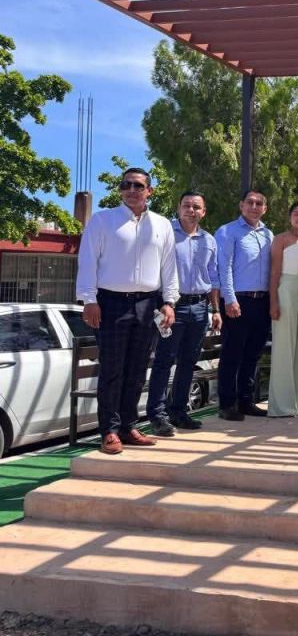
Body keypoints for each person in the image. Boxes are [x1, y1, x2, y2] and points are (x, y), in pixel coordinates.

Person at [76, 167, 178, 455]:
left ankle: (128, 426)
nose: (131, 190)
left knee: (137, 369)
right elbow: (87, 261)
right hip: (111, 303)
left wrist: (169, 301)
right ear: (120, 189)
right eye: (126, 185)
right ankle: (109, 430)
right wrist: (89, 299)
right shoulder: (102, 220)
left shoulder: (162, 225)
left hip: (148, 303)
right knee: (112, 369)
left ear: (149, 191)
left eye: (138, 185)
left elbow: (169, 266)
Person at [146, 191, 222, 434]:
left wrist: (216, 310)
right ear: (178, 208)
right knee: (164, 360)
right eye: (187, 206)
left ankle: (178, 411)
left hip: (199, 308)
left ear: (203, 212)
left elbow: (213, 277)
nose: (191, 210)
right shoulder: (165, 233)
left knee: (189, 362)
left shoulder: (209, 240)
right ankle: (157, 415)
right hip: (170, 306)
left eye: (196, 207)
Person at [215, 189, 274, 421]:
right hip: (238, 300)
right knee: (232, 353)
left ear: (265, 208)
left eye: (259, 203)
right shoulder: (228, 231)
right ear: (241, 206)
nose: (254, 207)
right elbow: (224, 267)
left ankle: (246, 401)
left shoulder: (268, 234)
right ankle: (227, 404)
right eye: (250, 202)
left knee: (253, 354)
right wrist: (230, 299)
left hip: (262, 301)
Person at [267, 201, 298, 417]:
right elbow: (274, 273)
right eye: (297, 213)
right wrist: (273, 302)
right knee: (284, 348)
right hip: (285, 291)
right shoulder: (281, 239)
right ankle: (282, 405)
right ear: (290, 217)